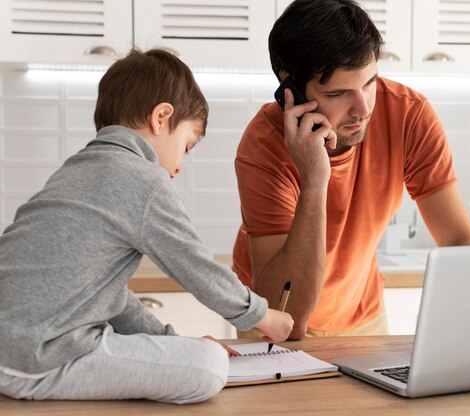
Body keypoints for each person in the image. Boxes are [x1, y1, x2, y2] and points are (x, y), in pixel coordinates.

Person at [0, 48, 293, 404]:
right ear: (161, 117)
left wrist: (170, 343)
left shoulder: (74, 172)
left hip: (12, 351)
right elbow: (196, 268)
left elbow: (112, 298)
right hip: (39, 360)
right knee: (210, 364)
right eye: (186, 145)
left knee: (188, 351)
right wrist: (262, 316)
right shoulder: (145, 180)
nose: (179, 166)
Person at [232, 0, 470, 340]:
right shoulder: (264, 146)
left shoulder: (409, 114)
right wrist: (315, 180)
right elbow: (286, 317)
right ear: (289, 87)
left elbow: (459, 239)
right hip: (271, 322)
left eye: (369, 83)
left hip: (363, 318)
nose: (363, 109)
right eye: (338, 93)